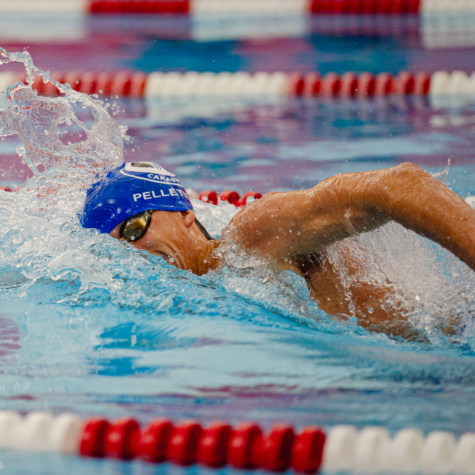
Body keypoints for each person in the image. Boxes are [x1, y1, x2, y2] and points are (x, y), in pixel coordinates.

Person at [80, 161, 475, 337]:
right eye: (113, 247)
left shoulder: (248, 239)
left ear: (183, 212)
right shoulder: (206, 289)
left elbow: (399, 184)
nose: (132, 253)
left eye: (134, 228)